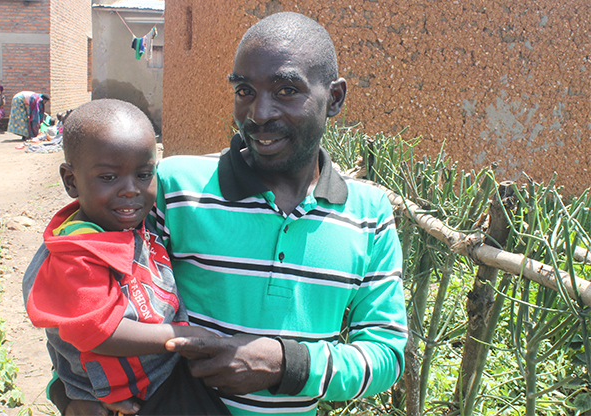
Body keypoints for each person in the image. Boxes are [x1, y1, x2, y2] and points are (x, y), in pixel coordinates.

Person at [25, 12, 408, 416]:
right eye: (245, 90)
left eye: (286, 90)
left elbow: (386, 356)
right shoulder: (174, 188)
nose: (260, 113)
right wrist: (71, 397)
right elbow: (78, 288)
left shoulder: (369, 217)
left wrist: (283, 364)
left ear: (334, 98)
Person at [23, 99, 230, 415]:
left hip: (155, 378)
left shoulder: (128, 220)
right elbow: (97, 331)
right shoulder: (78, 251)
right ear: (70, 181)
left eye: (144, 174)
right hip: (130, 396)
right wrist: (179, 336)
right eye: (108, 177)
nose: (131, 190)